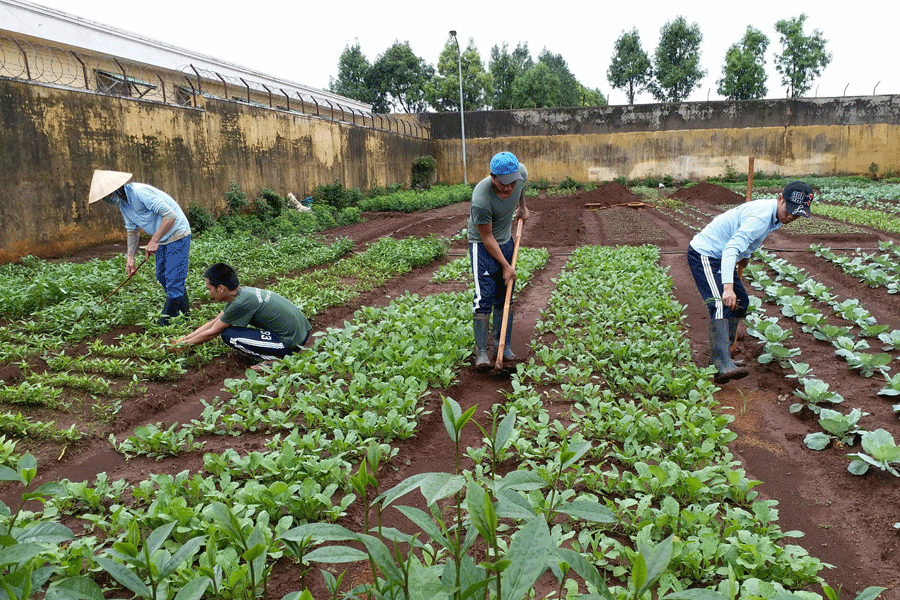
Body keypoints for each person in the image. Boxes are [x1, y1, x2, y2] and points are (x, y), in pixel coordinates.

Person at [688, 181, 814, 383]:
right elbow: (730, 249)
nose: (791, 216)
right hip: (706, 255)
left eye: (797, 214)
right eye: (789, 210)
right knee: (721, 303)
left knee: (741, 303)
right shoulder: (761, 216)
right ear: (780, 198)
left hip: (723, 256)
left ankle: (723, 356)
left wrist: (745, 254)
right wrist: (728, 288)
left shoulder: (774, 215)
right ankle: (721, 363)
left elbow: (743, 242)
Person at [88, 170, 191, 325]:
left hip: (177, 234)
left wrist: (154, 240)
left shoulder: (140, 193)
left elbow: (170, 215)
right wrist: (130, 258)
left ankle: (164, 324)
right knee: (162, 276)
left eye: (106, 195)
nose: (106, 199)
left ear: (115, 189)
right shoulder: (124, 205)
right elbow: (132, 230)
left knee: (173, 281)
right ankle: (186, 314)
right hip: (162, 238)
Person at [174, 262, 311, 369]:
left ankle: (275, 359)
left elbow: (213, 332)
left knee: (228, 335)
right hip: (301, 332)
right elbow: (213, 323)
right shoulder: (241, 294)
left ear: (221, 288)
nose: (208, 293)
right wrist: (185, 339)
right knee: (227, 330)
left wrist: (184, 345)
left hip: (291, 342)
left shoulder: (241, 303)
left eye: (209, 289)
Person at [467, 151, 530, 369]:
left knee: (506, 295)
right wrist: (505, 266)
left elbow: (521, 187)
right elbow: (487, 237)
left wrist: (522, 206)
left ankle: (505, 346)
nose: (509, 188)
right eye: (504, 184)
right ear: (493, 177)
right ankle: (482, 352)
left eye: (513, 183)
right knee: (484, 297)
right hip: (482, 246)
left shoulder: (519, 175)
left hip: (506, 241)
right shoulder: (481, 200)